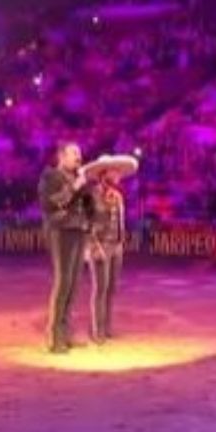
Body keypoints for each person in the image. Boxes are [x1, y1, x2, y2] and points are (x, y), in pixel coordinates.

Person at [38, 141, 93, 354]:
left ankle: (66, 333)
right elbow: (51, 203)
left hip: (78, 231)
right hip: (60, 231)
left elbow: (88, 207)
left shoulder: (79, 179)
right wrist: (75, 186)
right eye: (74, 153)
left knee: (74, 283)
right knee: (63, 282)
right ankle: (54, 336)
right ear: (62, 156)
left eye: (80, 152)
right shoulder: (50, 176)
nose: (79, 156)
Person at [83, 154, 138, 345]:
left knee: (111, 288)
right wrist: (92, 246)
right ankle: (98, 331)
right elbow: (85, 223)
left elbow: (120, 222)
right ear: (104, 173)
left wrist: (121, 243)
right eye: (115, 170)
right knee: (100, 289)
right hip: (100, 245)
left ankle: (106, 328)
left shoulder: (117, 196)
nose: (119, 174)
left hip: (115, 246)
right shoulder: (91, 195)